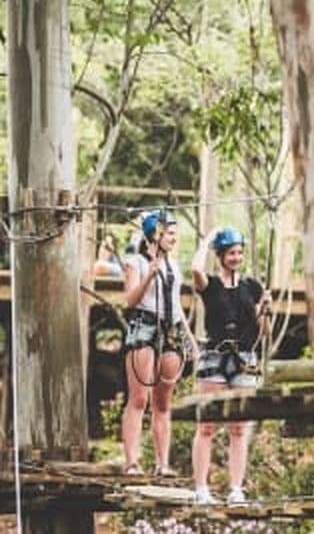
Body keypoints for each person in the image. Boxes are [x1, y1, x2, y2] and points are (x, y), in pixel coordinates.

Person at [191, 226, 269, 505]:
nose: (236, 257)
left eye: (239, 252)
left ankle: (236, 488)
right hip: (215, 357)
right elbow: (195, 270)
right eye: (231, 253)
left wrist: (263, 311)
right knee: (207, 426)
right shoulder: (210, 286)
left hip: (245, 358)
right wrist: (207, 239)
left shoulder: (252, 287)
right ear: (221, 255)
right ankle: (201, 488)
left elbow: (262, 332)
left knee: (239, 428)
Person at [121, 209, 197, 476]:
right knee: (139, 397)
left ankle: (162, 464)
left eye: (176, 233)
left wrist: (189, 338)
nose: (174, 239)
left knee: (163, 401)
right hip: (145, 324)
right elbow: (129, 300)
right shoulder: (136, 262)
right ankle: (132, 461)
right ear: (155, 234)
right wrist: (149, 276)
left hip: (171, 328)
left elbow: (176, 304)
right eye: (170, 233)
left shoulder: (174, 266)